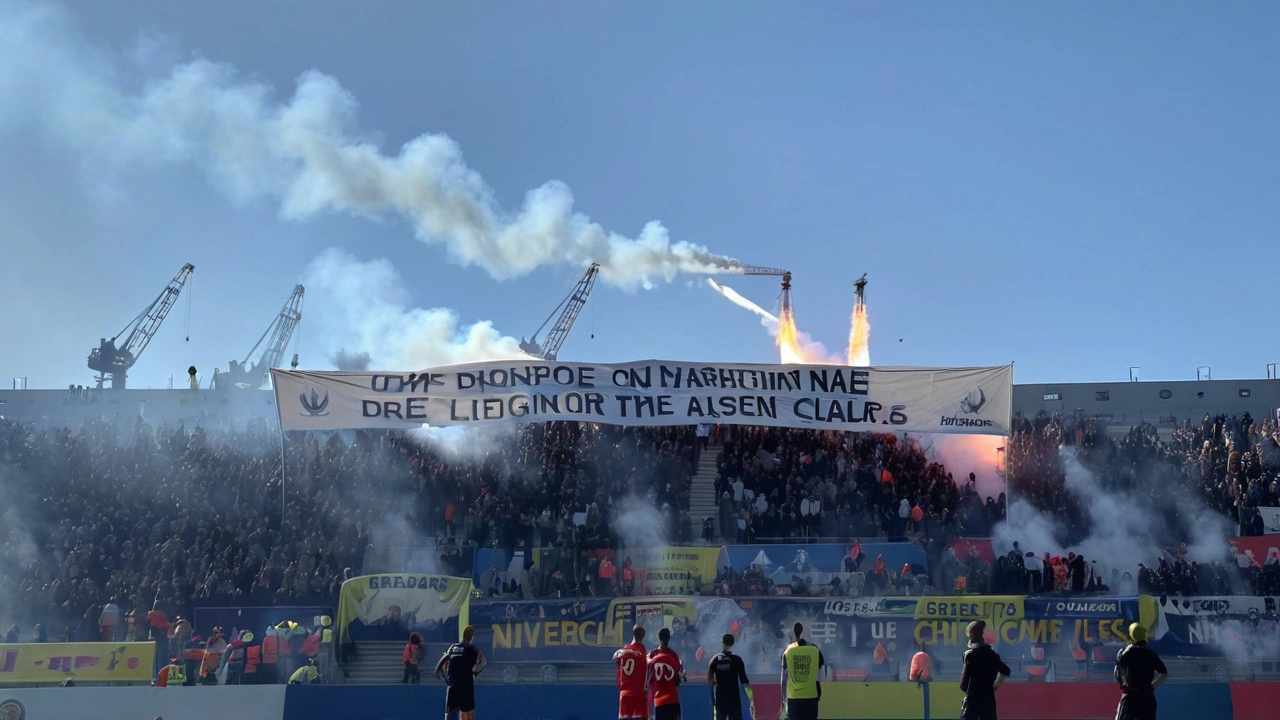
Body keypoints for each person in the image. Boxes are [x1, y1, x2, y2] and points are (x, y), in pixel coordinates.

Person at [1114, 623, 1167, 720]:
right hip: (1147, 697)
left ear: (1131, 636)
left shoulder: (1125, 654)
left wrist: (1123, 684)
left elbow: (1118, 672)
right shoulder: (1150, 655)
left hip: (1130, 697)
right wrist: (1152, 686)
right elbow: (1164, 672)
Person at [959, 621, 1010, 720]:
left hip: (973, 700)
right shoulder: (993, 655)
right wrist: (995, 685)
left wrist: (972, 691)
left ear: (972, 635)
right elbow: (1006, 671)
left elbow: (963, 685)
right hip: (988, 699)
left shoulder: (970, 655)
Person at [436, 626, 487, 720]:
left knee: (451, 713)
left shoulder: (452, 647)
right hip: (466, 685)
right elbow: (483, 661)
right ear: (472, 637)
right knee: (468, 713)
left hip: (453, 685)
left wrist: (445, 677)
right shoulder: (473, 649)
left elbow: (443, 663)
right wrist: (475, 672)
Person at [781, 623, 824, 720]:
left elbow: (784, 678)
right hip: (811, 696)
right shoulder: (815, 649)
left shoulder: (787, 651)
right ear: (804, 633)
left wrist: (783, 698)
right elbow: (820, 671)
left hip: (793, 697)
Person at [707, 633, 752, 720]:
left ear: (722, 643)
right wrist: (751, 698)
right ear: (733, 643)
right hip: (734, 696)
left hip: (720, 696)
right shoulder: (737, 660)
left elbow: (709, 679)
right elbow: (744, 680)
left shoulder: (715, 659)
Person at [648, 627, 685, 720]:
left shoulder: (652, 655)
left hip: (658, 697)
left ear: (658, 638)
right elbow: (679, 678)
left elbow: (648, 676)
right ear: (669, 638)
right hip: (672, 698)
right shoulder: (673, 655)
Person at [613, 625, 648, 720]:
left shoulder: (623, 652)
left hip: (624, 693)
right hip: (638, 693)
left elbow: (618, 670)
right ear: (643, 636)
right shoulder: (642, 653)